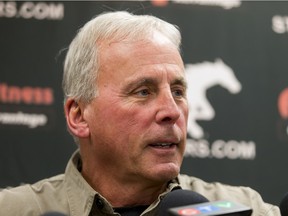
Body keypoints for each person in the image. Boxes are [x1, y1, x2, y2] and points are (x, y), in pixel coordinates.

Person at [0, 11, 280, 216]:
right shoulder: (14, 211)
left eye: (178, 91)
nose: (172, 111)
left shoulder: (246, 208)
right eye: (143, 91)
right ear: (79, 116)